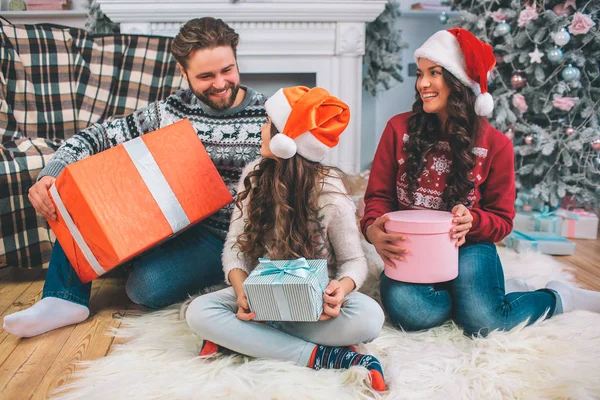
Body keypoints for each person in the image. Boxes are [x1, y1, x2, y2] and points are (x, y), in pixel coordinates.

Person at [3, 17, 268, 338]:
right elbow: (98, 135)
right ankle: (63, 297)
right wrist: (51, 174)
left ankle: (206, 277)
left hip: (224, 238)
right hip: (167, 218)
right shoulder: (169, 111)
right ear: (183, 73)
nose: (221, 83)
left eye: (227, 70)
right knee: (76, 196)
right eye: (205, 76)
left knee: (144, 288)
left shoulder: (268, 115)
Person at [361, 28, 600, 337]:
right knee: (412, 313)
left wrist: (472, 221)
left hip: (469, 247)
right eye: (420, 74)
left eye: (434, 73)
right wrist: (372, 229)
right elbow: (378, 196)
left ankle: (557, 296)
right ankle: (479, 295)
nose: (423, 83)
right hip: (414, 248)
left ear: (458, 82)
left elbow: (503, 220)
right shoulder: (398, 129)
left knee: (485, 322)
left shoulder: (496, 144)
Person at [185, 86, 387, 391]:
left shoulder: (330, 192)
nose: (261, 129)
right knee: (198, 312)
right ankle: (324, 356)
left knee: (370, 318)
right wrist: (242, 293)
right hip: (260, 300)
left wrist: (340, 290)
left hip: (314, 307)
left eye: (268, 123)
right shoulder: (253, 176)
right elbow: (234, 252)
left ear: (284, 140)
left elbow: (353, 261)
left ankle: (251, 341)